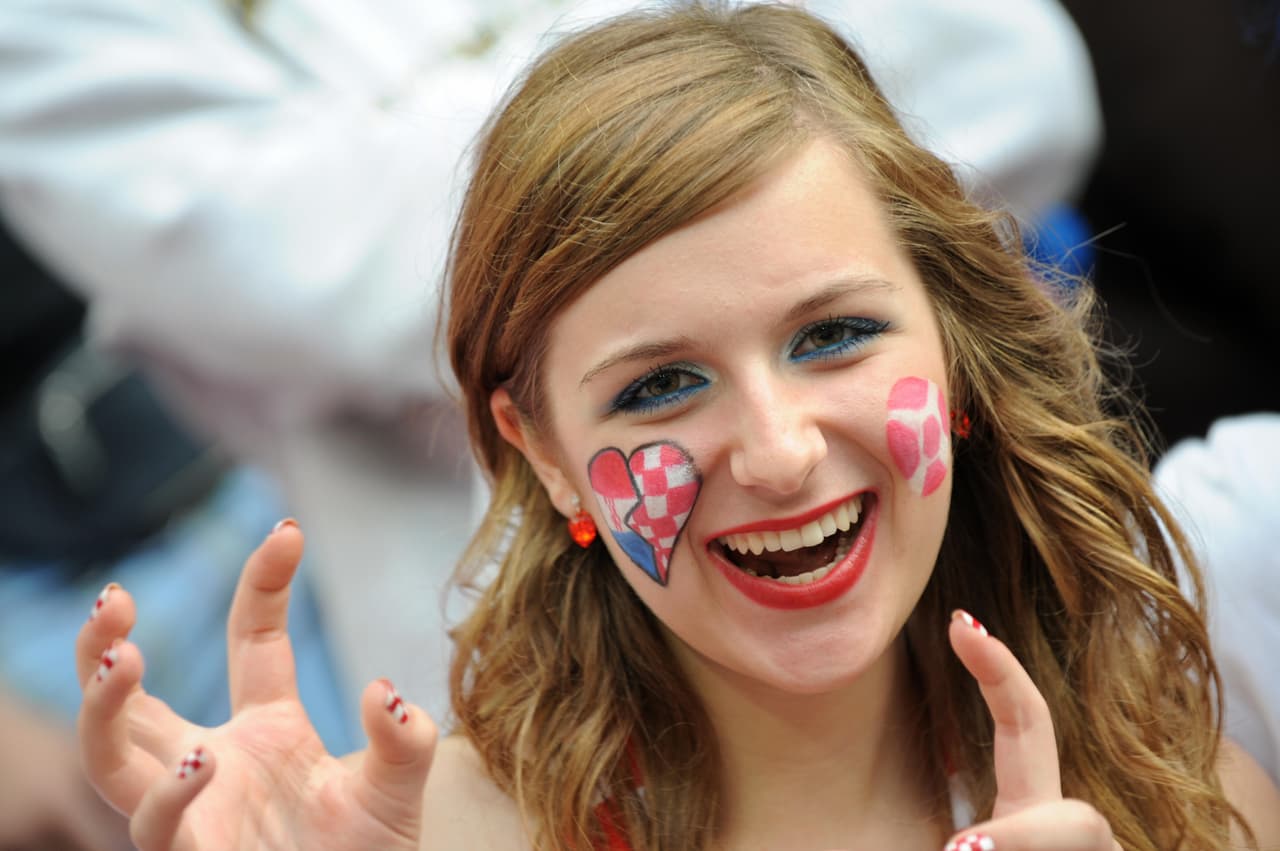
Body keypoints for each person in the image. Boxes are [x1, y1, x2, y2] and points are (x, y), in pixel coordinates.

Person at [75, 3, 1280, 849]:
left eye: (833, 335)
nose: (777, 449)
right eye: (656, 387)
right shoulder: (430, 833)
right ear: (542, 452)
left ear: (955, 346)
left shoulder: (1171, 792)